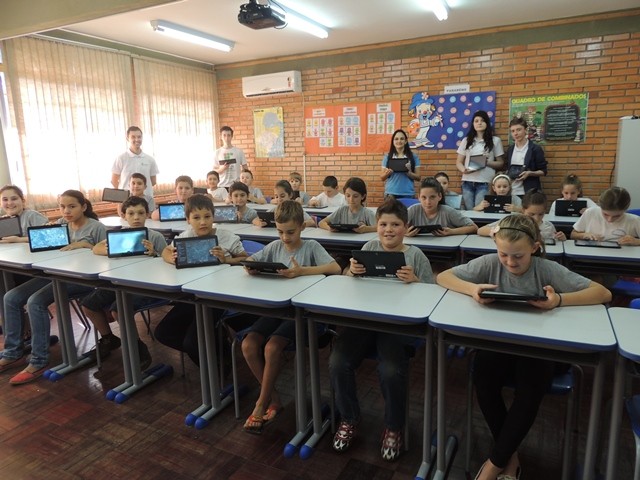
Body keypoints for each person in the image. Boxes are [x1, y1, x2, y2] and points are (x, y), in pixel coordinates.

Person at [436, 214, 611, 480]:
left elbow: (603, 293)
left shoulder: (546, 269)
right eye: (503, 254)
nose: (509, 262)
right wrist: (472, 289)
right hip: (502, 344)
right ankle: (510, 457)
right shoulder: (490, 262)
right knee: (483, 376)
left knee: (531, 382)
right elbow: (444, 277)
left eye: (518, 256)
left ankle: (494, 464)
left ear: (534, 248)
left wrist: (558, 300)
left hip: (541, 348)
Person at [330, 198, 434, 461]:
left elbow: (433, 296)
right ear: (376, 226)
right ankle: (349, 417)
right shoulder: (368, 247)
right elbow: (347, 283)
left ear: (406, 227)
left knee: (390, 370)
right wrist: (351, 272)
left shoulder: (416, 255)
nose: (389, 230)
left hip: (396, 325)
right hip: (365, 321)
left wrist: (416, 281)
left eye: (395, 225)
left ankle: (394, 426)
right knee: (338, 362)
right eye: (384, 224)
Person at [242, 200, 341, 433]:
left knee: (272, 347)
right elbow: (253, 259)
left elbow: (336, 268)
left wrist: (302, 271)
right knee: (248, 345)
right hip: (278, 309)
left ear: (302, 227)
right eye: (280, 232)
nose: (285, 237)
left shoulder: (311, 246)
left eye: (290, 232)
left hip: (303, 314)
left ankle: (261, 403)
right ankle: (274, 398)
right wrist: (250, 266)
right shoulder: (275, 246)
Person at [0, 190, 107, 385]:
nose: (66, 211)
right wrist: (17, 239)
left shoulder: (96, 227)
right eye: (62, 207)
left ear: (83, 207)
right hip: (56, 274)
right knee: (11, 297)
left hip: (82, 279)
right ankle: (13, 352)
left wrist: (86, 246)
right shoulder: (61, 224)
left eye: (72, 206)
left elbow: (108, 254)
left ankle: (39, 360)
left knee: (35, 302)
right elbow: (40, 240)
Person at [155, 194, 248, 365]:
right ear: (188, 219)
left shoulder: (226, 236)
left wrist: (227, 259)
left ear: (213, 216)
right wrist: (172, 259)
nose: (203, 222)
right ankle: (214, 350)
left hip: (218, 297)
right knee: (163, 333)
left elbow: (245, 258)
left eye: (207, 216)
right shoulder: (186, 236)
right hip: (192, 296)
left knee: (192, 343)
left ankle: (219, 366)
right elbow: (165, 251)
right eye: (196, 218)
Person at [80, 196, 167, 368]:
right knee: (88, 305)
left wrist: (155, 254)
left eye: (140, 213)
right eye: (131, 213)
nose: (136, 217)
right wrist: (109, 250)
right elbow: (96, 249)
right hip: (120, 282)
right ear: (124, 216)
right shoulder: (118, 236)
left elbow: (168, 262)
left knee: (118, 309)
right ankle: (108, 338)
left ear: (147, 214)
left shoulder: (155, 236)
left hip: (147, 284)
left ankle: (137, 346)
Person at [455, 110, 505, 210]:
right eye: (476, 121)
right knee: (468, 212)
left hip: (485, 182)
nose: (479, 123)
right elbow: (458, 162)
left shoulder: (495, 140)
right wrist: (463, 170)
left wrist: (487, 163)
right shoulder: (466, 140)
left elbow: (501, 163)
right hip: (467, 181)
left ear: (487, 123)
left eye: (482, 120)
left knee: (480, 211)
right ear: (473, 124)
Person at [479, 189, 566, 242]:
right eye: (531, 214)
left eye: (541, 214)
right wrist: (501, 232)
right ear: (523, 210)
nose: (536, 218)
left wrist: (562, 238)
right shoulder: (513, 222)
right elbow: (480, 230)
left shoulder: (549, 227)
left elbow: (556, 244)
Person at [406, 177, 478, 237]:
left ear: (439, 196)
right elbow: (399, 227)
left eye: (432, 197)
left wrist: (451, 231)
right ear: (418, 197)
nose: (428, 202)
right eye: (424, 197)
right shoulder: (412, 210)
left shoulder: (448, 211)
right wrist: (404, 233)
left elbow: (474, 227)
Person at [571, 186, 640, 244]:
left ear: (625, 210)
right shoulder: (590, 213)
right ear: (600, 207)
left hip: (621, 255)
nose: (610, 220)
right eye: (605, 214)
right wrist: (584, 235)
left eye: (617, 216)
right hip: (591, 254)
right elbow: (573, 235)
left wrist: (636, 241)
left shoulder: (634, 220)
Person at [111, 126, 159, 200]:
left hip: (146, 200)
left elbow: (153, 181)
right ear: (127, 138)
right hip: (127, 200)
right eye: (133, 137)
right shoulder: (121, 158)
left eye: (139, 137)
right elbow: (114, 181)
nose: (137, 139)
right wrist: (125, 193)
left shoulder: (150, 159)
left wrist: (140, 191)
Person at [504, 117, 547, 196]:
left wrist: (530, 173)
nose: (515, 133)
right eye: (513, 131)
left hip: (529, 192)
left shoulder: (535, 149)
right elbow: (506, 168)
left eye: (518, 130)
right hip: (512, 191)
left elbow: (543, 171)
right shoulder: (510, 149)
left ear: (525, 130)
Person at [380, 129, 420, 199]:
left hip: (408, 194)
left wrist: (409, 173)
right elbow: (382, 178)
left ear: (406, 141)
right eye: (396, 139)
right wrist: (387, 173)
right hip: (391, 193)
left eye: (402, 139)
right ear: (393, 141)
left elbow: (418, 177)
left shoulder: (413, 157)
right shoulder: (387, 157)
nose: (399, 141)